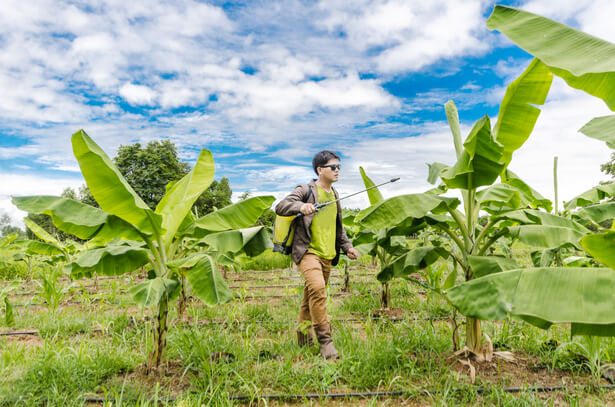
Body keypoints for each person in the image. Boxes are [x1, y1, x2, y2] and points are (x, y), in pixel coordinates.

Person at [275, 150, 359, 360]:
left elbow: (338, 228)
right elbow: (281, 206)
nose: (337, 170)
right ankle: (326, 343)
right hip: (308, 252)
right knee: (318, 290)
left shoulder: (335, 194)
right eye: (333, 167)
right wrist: (301, 206)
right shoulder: (306, 190)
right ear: (320, 170)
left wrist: (347, 246)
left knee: (309, 297)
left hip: (328, 254)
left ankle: (304, 338)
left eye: (339, 166)